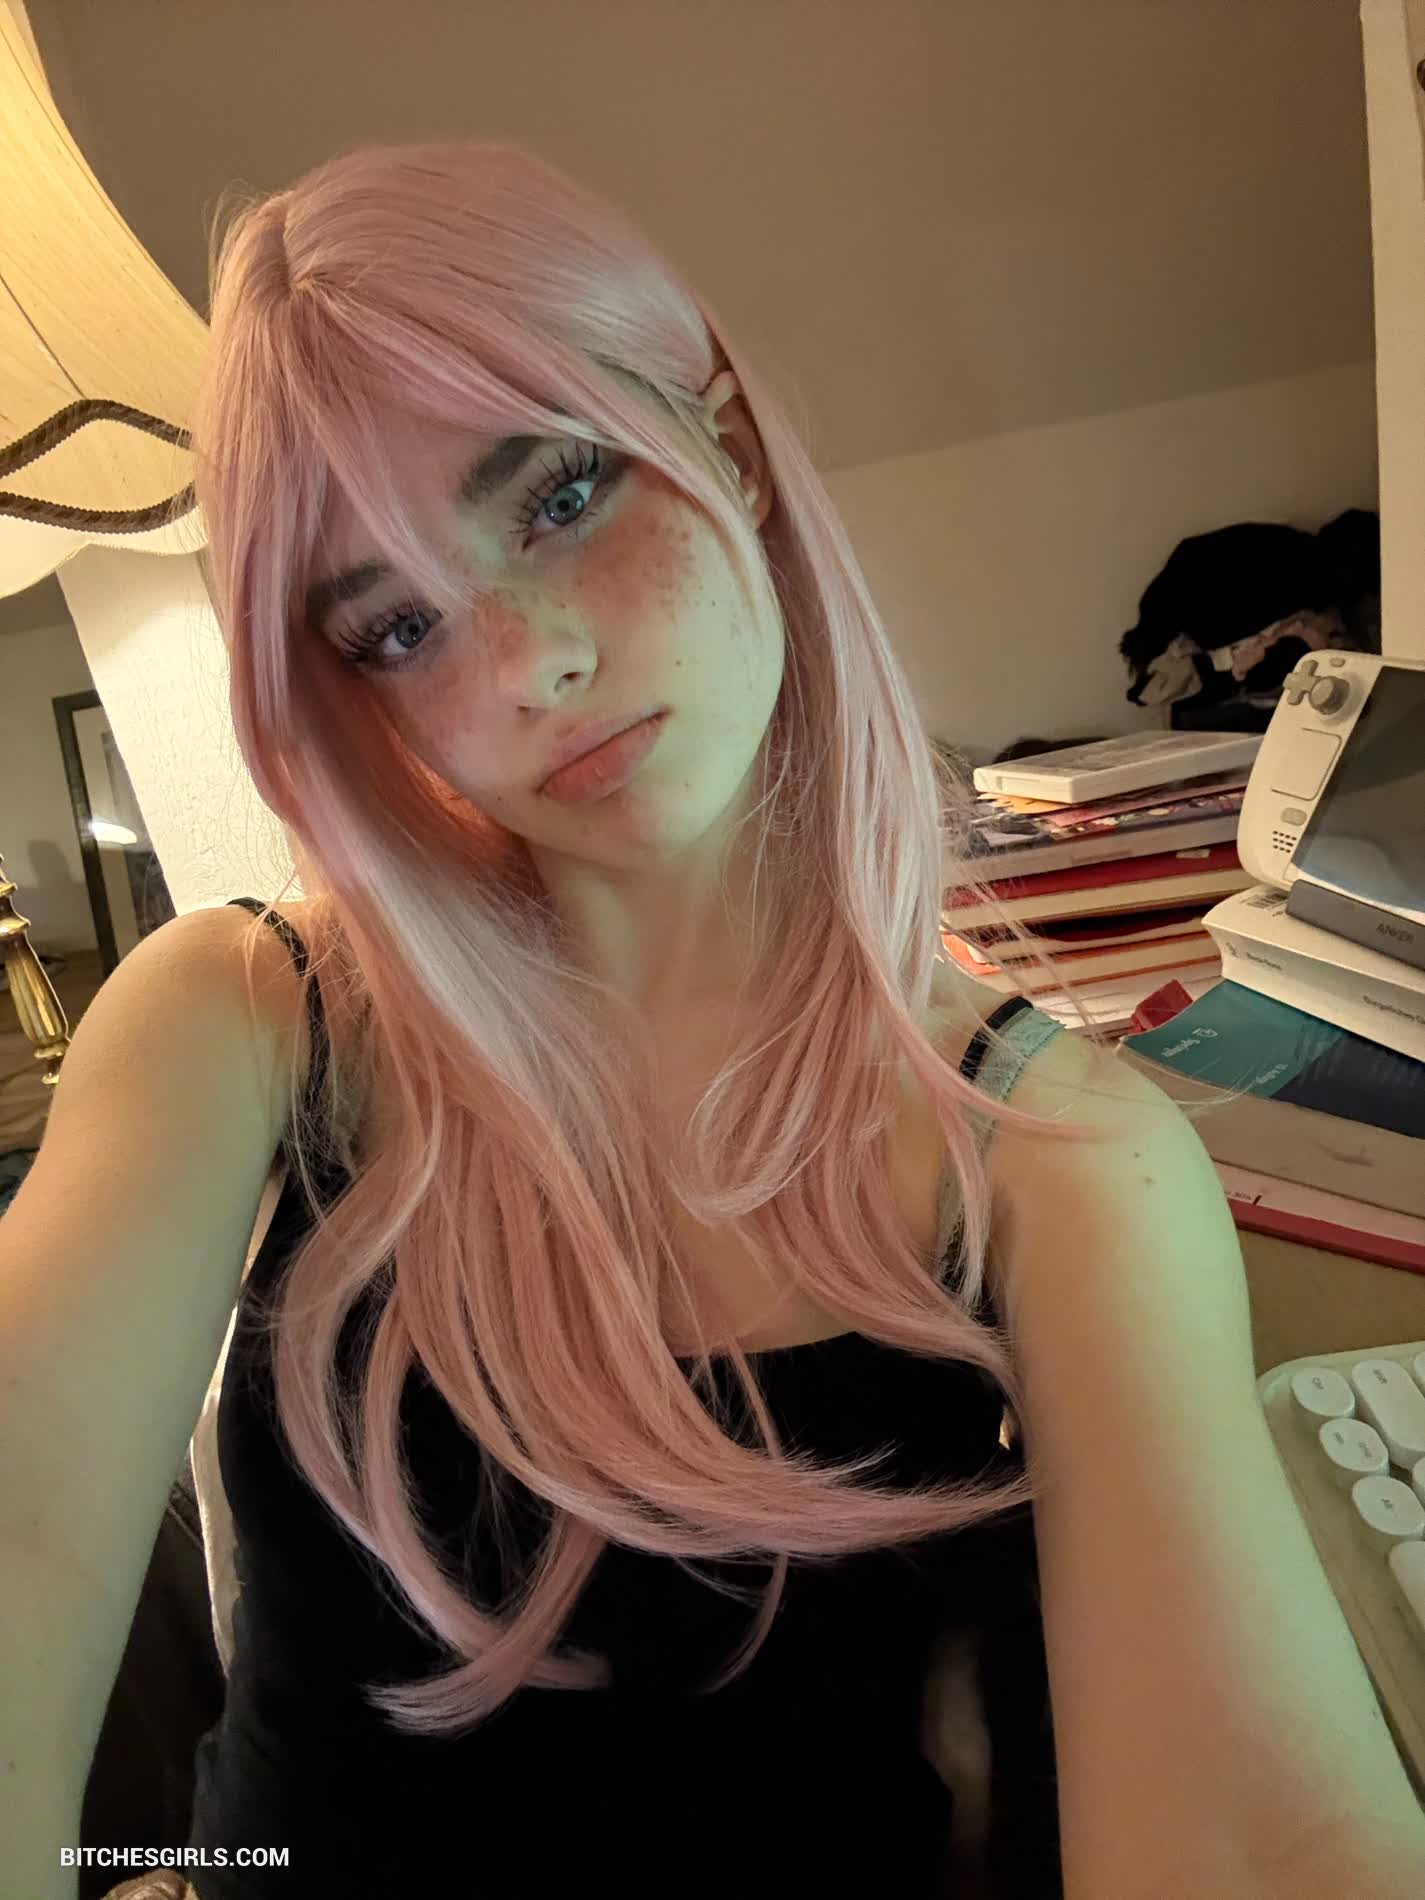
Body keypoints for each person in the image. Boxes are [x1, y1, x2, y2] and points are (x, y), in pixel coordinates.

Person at [11, 135, 1419, 1900]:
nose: (523, 666)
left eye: (559, 497)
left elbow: (1259, 1835)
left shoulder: (1057, 1155)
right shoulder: (242, 1019)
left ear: (729, 447)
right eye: (397, 627)